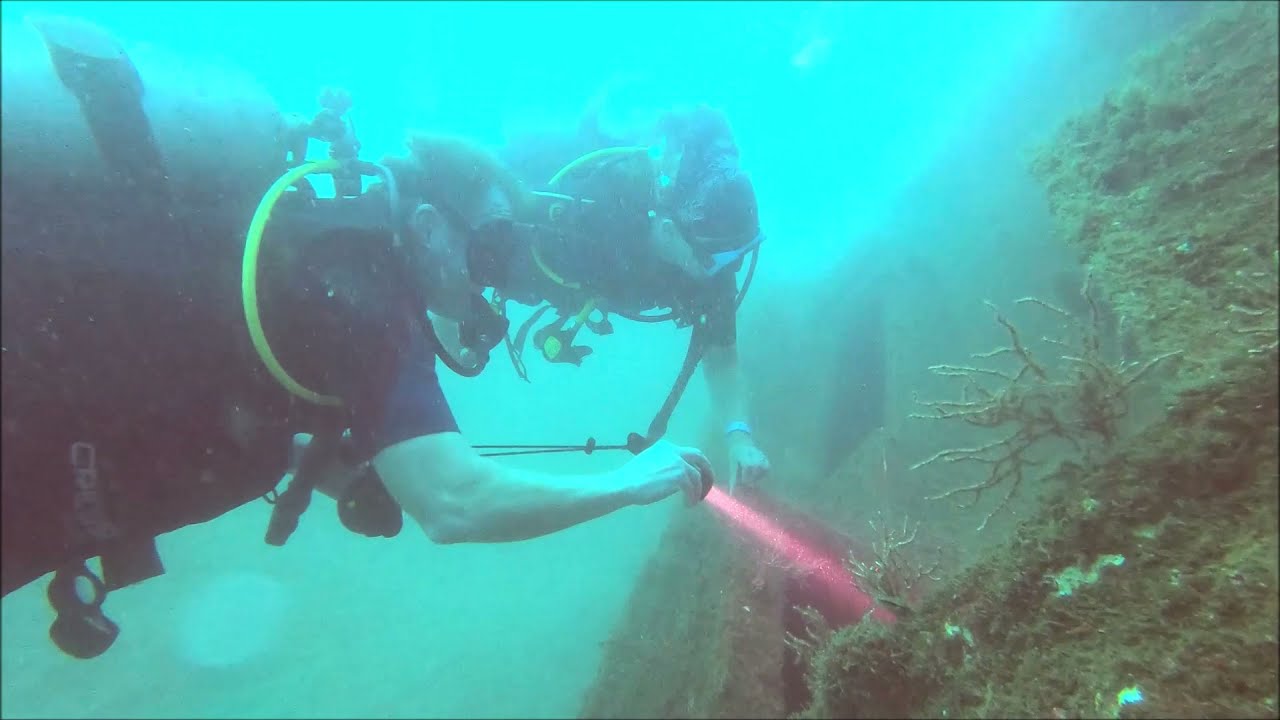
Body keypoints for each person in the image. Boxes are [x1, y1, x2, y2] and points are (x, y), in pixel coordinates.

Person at [0, 15, 713, 660]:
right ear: (431, 228)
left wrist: (348, 470)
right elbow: (457, 503)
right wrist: (626, 483)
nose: (485, 292)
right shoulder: (369, 297)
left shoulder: (325, 251)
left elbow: (259, 382)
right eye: (484, 258)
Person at [495, 75, 773, 494]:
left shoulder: (713, 253)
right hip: (560, 241)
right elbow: (481, 240)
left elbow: (722, 358)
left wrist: (740, 439)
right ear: (667, 227)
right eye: (709, 258)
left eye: (730, 260)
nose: (716, 271)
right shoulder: (594, 204)